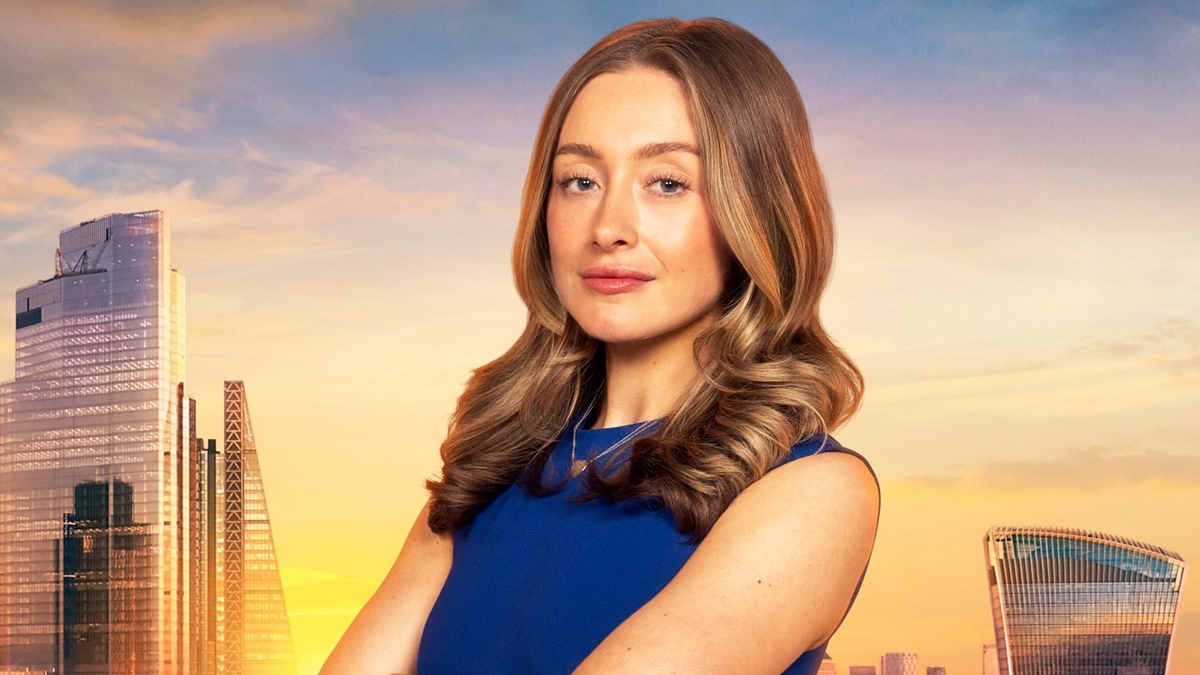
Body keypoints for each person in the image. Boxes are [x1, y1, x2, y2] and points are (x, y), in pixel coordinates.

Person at [323, 17, 878, 675]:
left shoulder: (814, 488)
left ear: (755, 214)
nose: (609, 226)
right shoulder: (489, 471)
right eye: (579, 180)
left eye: (667, 182)